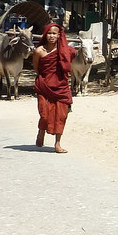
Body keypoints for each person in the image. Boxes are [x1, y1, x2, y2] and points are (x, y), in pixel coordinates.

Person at [32, 23, 76, 154]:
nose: (51, 36)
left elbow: (74, 58)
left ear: (59, 35)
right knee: (44, 114)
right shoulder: (39, 51)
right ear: (45, 35)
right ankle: (41, 131)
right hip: (44, 86)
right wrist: (47, 78)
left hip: (61, 86)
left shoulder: (65, 50)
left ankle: (57, 144)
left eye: (54, 33)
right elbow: (36, 68)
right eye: (49, 33)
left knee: (61, 116)